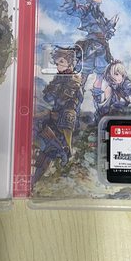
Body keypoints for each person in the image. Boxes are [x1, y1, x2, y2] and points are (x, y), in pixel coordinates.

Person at [32, 47, 83, 184]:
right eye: (57, 62)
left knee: (51, 147)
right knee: (45, 149)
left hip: (65, 120)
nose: (58, 65)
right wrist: (52, 88)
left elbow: (65, 101)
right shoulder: (59, 78)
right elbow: (47, 97)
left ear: (70, 63)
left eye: (61, 62)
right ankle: (33, 180)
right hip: (55, 115)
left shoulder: (74, 81)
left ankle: (65, 150)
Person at [61, 0, 118, 96]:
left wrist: (111, 24)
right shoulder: (85, 10)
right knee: (85, 73)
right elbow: (71, 9)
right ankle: (75, 97)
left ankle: (97, 100)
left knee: (101, 74)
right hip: (91, 47)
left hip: (102, 47)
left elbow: (104, 30)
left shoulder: (99, 13)